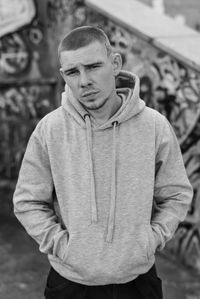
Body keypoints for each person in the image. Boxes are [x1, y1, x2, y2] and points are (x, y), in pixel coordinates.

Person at [13, 26, 193, 299]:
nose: (84, 81)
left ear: (115, 63)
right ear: (64, 76)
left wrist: (151, 239)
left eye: (93, 66)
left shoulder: (153, 126)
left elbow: (177, 193)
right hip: (70, 283)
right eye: (73, 72)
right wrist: (62, 246)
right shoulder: (50, 130)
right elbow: (27, 201)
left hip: (138, 282)